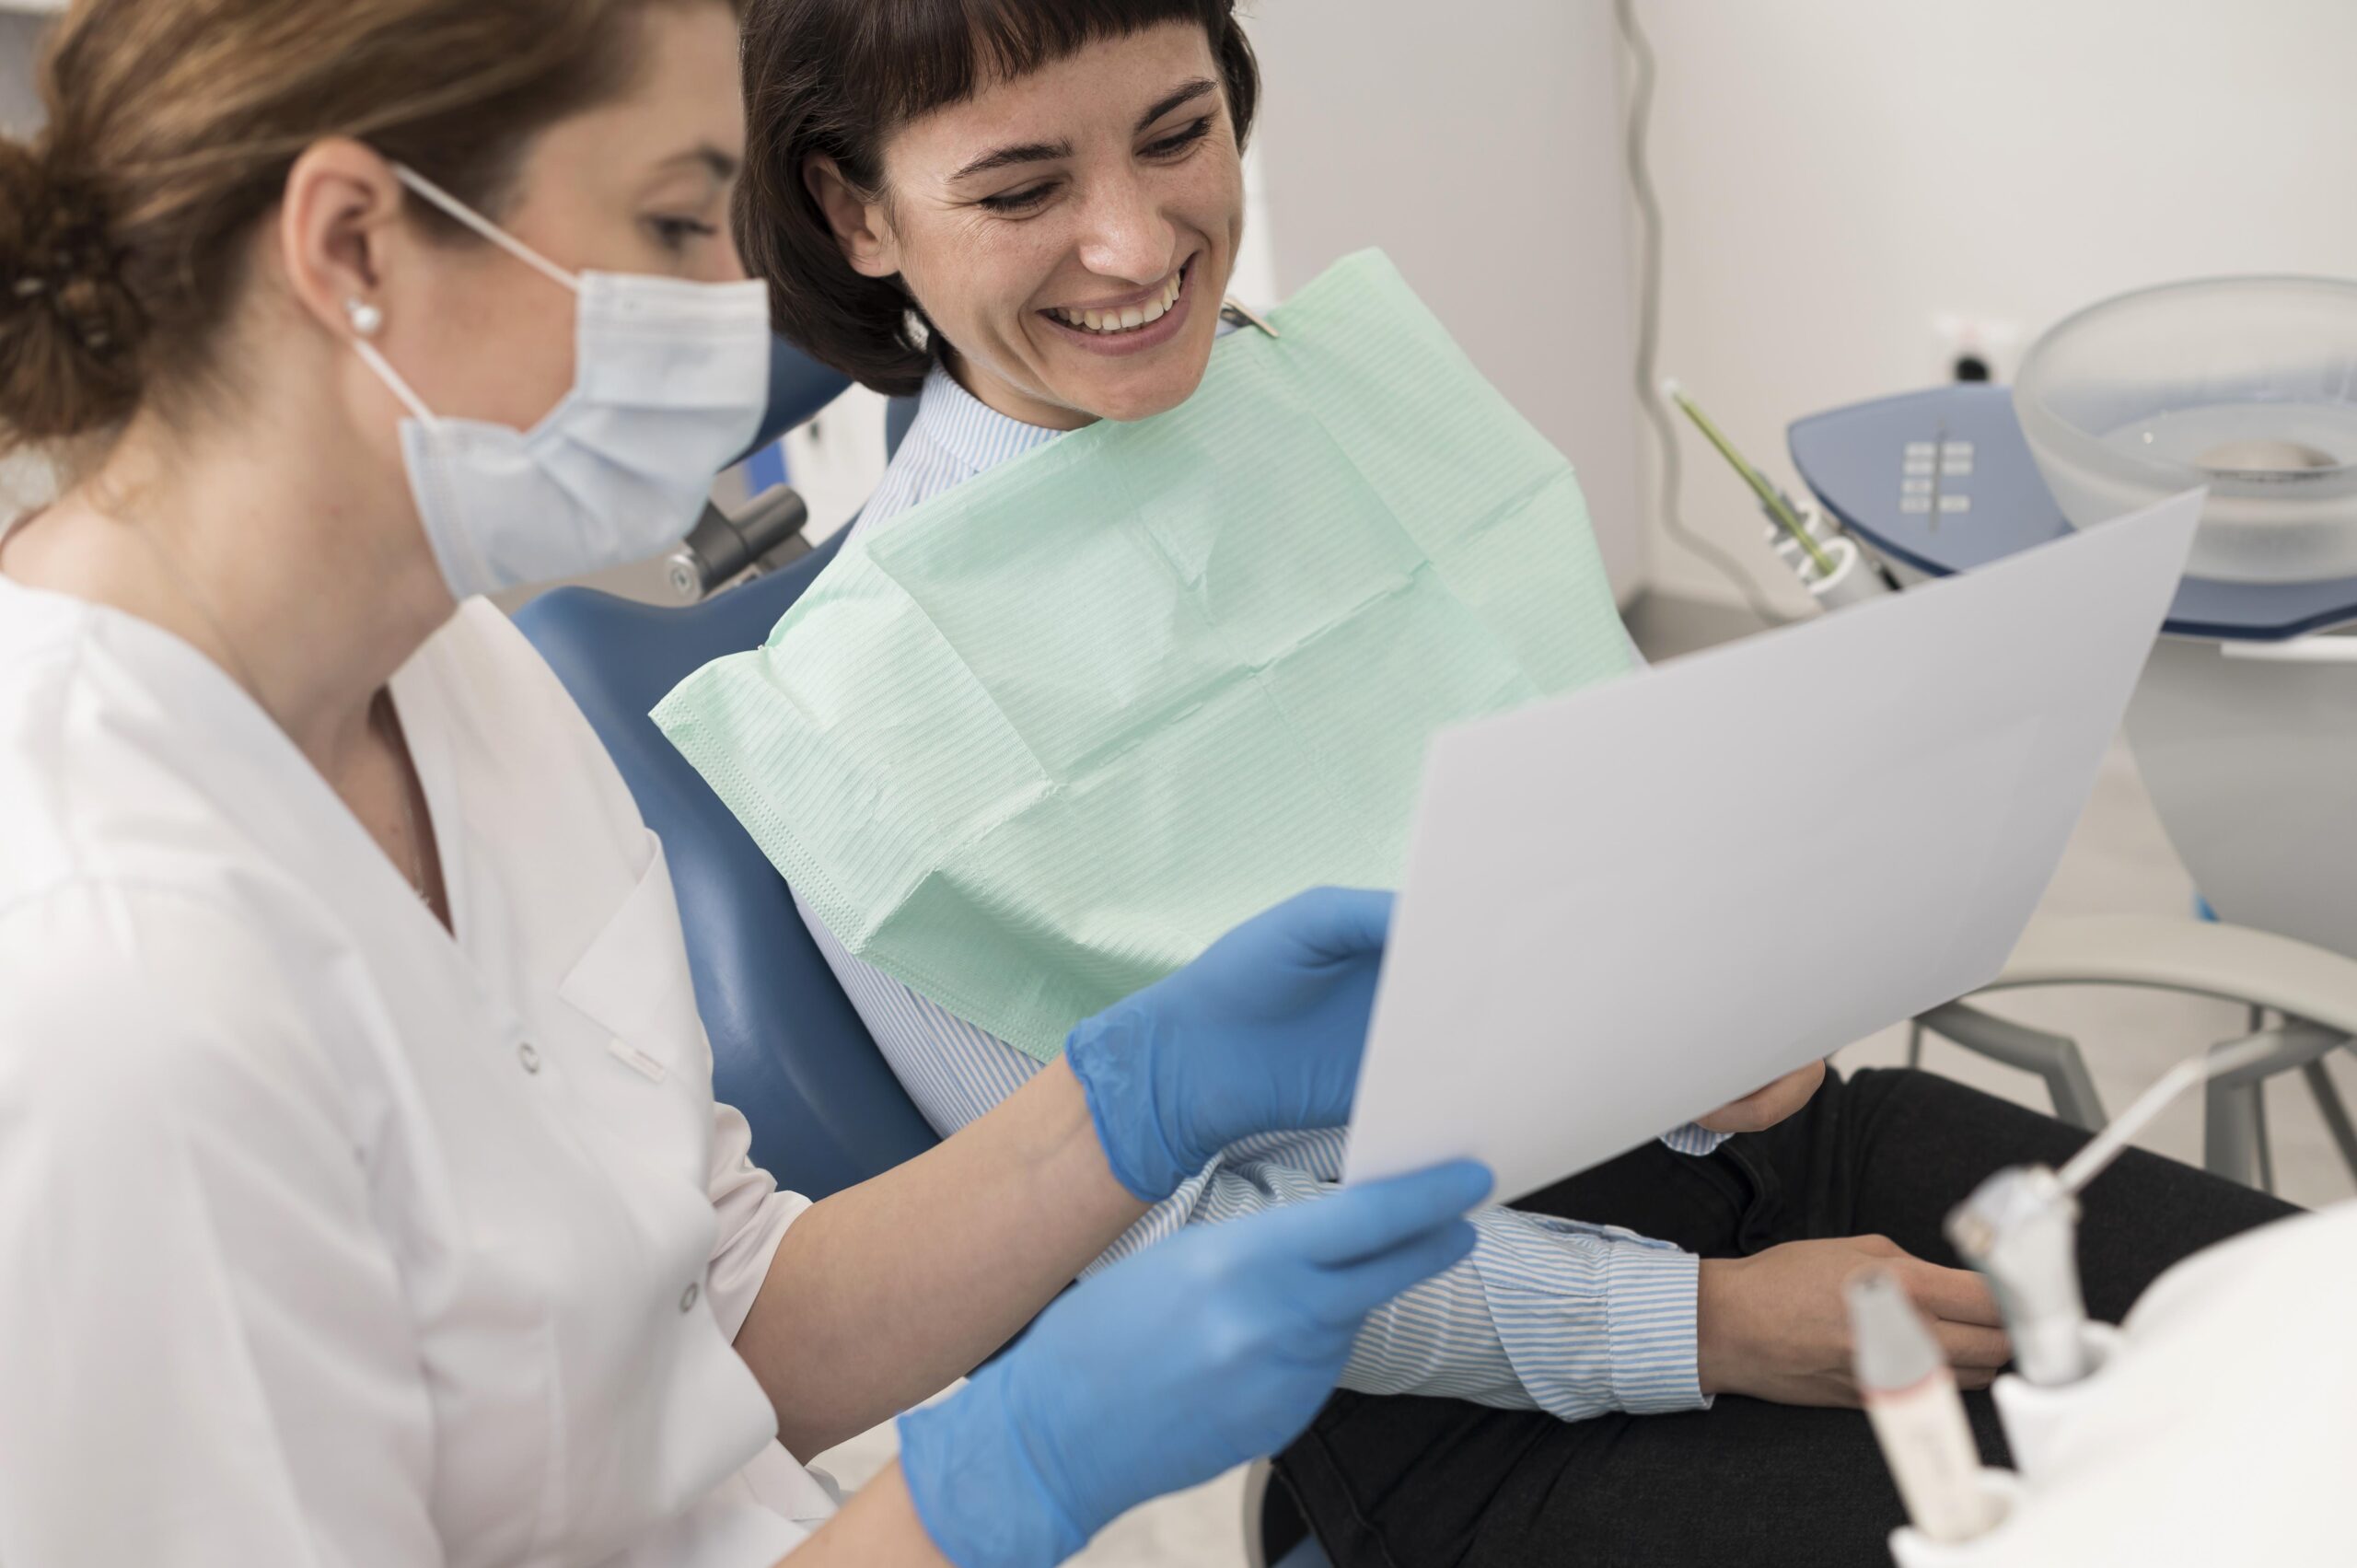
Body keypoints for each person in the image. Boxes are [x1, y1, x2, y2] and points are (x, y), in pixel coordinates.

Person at [726, 2, 2302, 1562]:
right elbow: (1168, 1246)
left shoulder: (1347, 399)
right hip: (1458, 1397)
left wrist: (1764, 964)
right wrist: (1701, 1324)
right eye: (1021, 192)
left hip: (1785, 1151)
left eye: (1180, 134)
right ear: (856, 209)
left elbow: (1620, 799)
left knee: (2314, 1375)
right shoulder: (862, 723)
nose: (1137, 247)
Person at [0, 3, 1496, 1564]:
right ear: (357, 244)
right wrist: (1005, 1480)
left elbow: (704, 1315)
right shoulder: (103, 977)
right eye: (670, 220)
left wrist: (1127, 1110)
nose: (740, 304)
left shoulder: (459, 683)